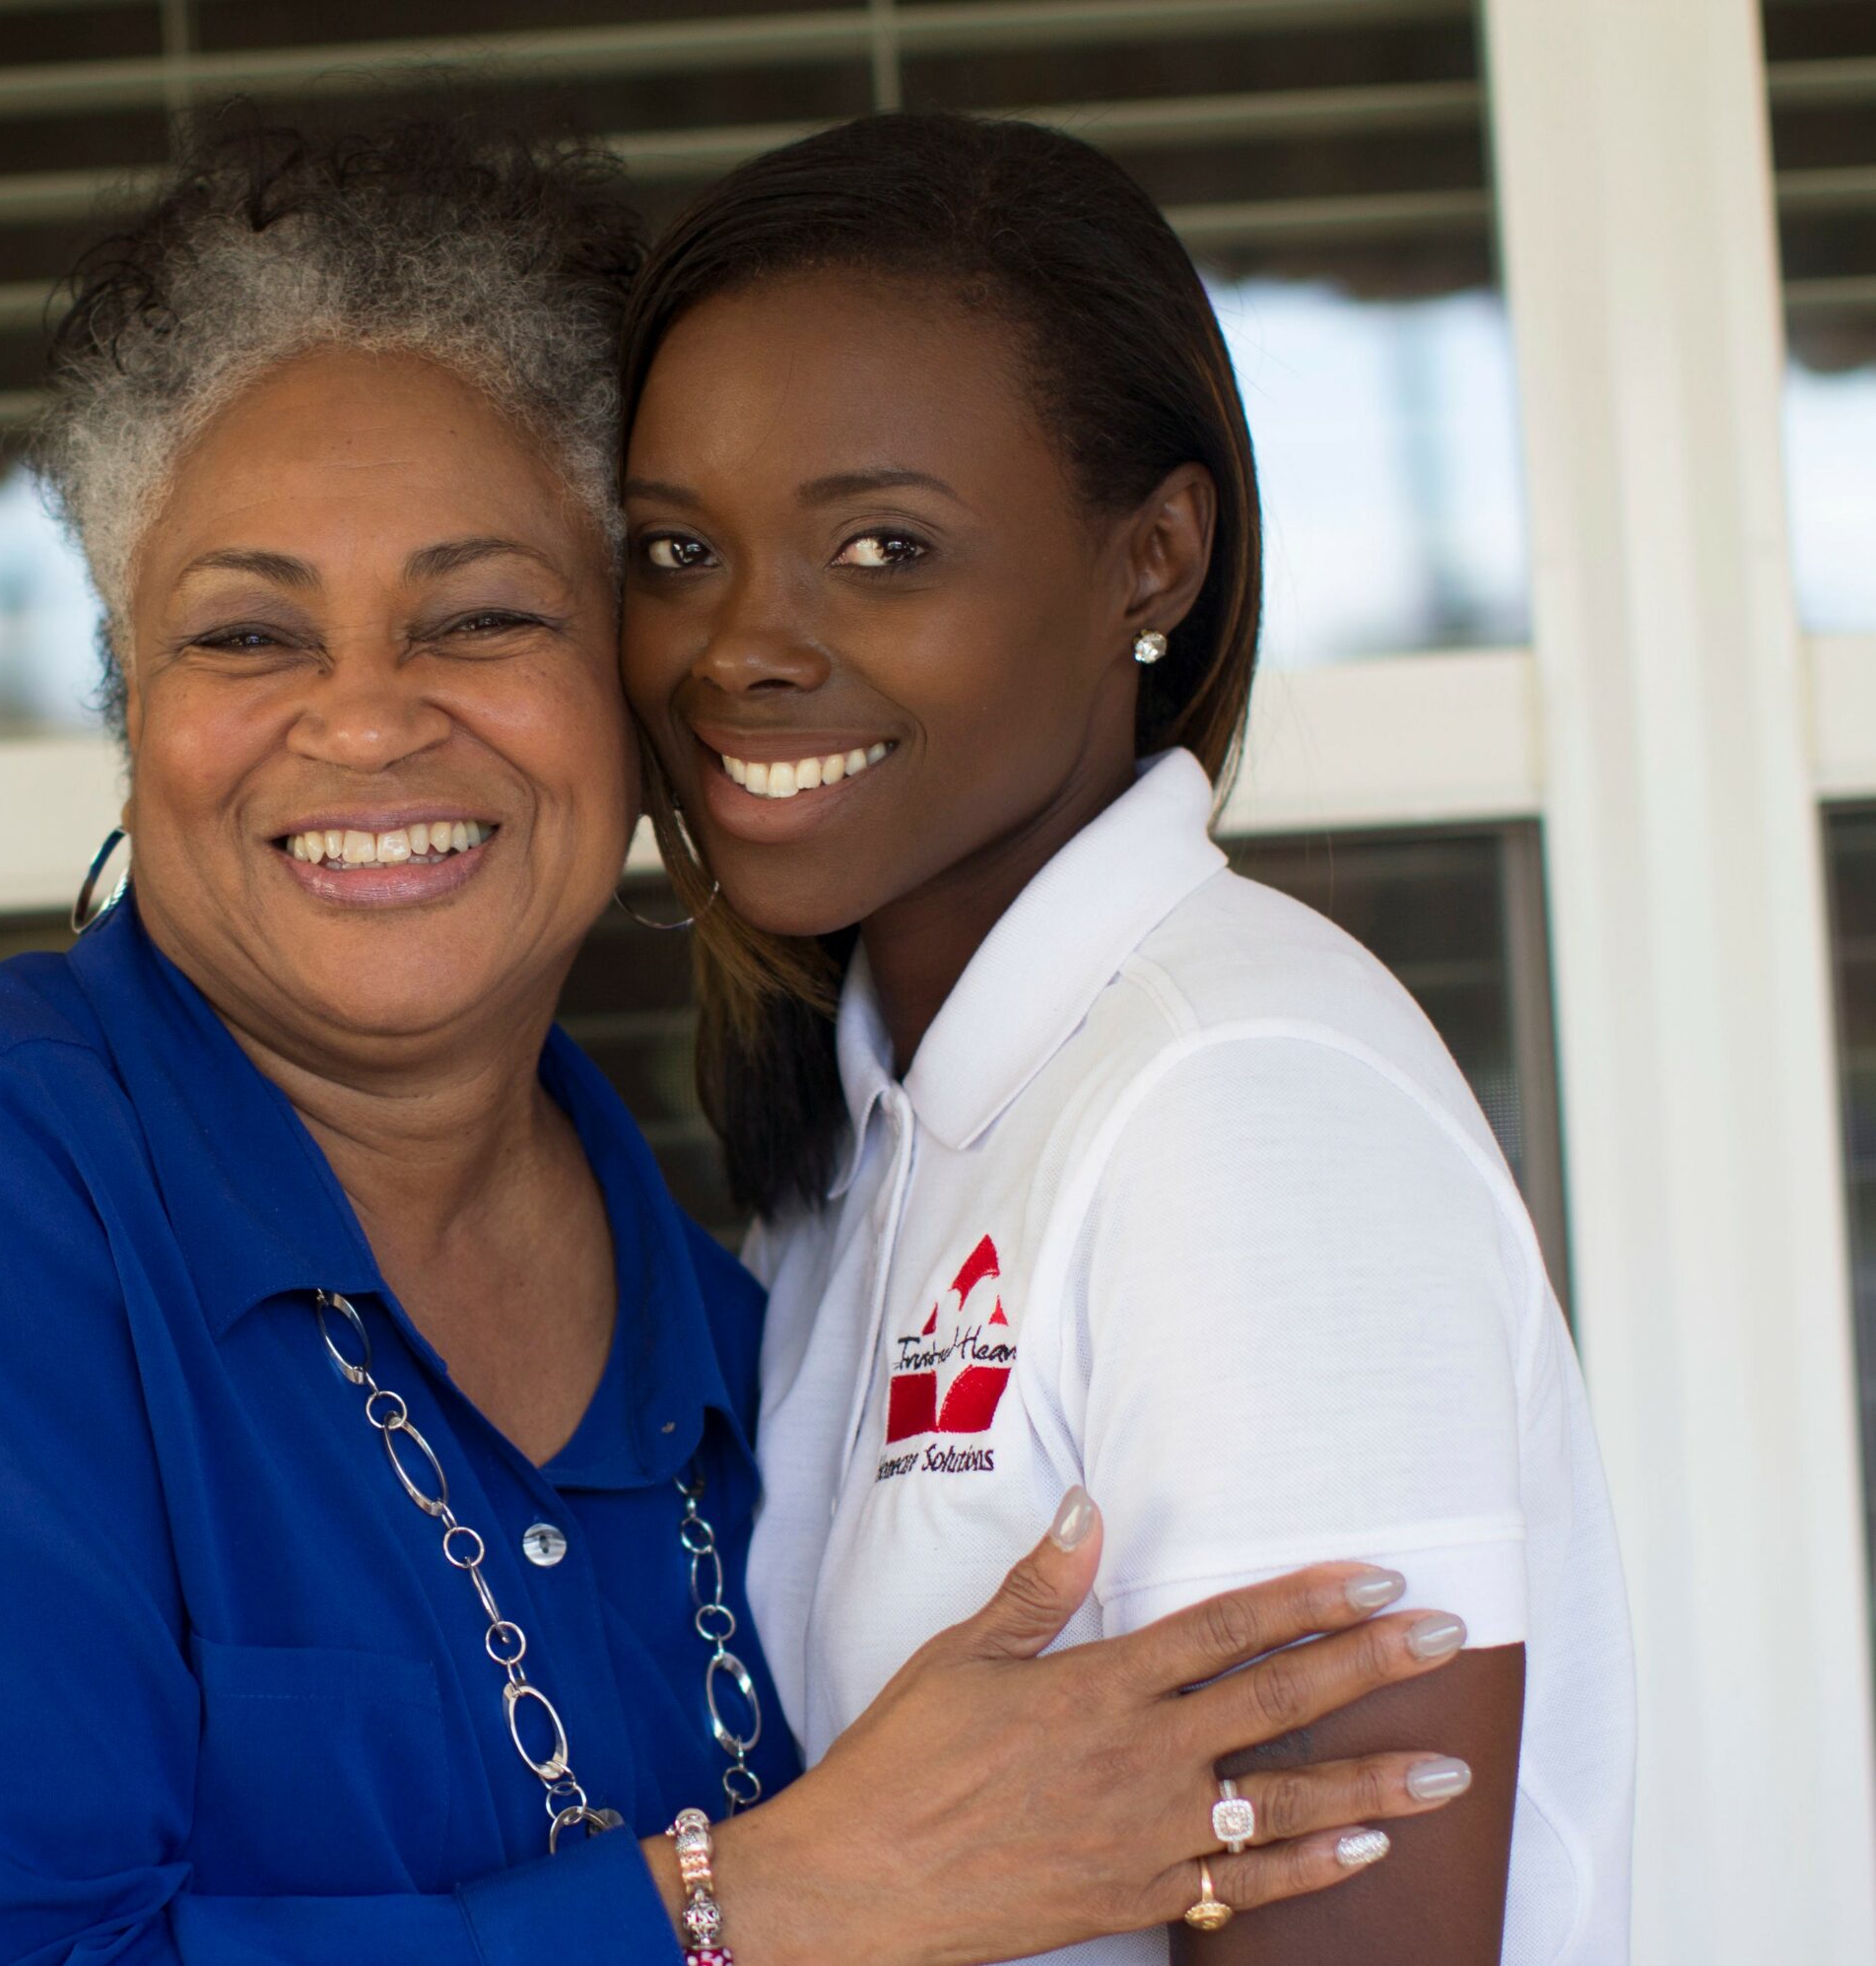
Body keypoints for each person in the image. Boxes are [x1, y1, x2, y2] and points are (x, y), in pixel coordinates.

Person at [0, 119, 1478, 1966]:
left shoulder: (747, 1338)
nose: (364, 721)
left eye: (478, 617)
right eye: (248, 634)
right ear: (134, 704)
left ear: (630, 694)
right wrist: (754, 1901)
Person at [617, 112, 1637, 1964]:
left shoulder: (1235, 1100)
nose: (735, 646)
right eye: (677, 546)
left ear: (1150, 561)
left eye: (879, 545)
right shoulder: (874, 1132)